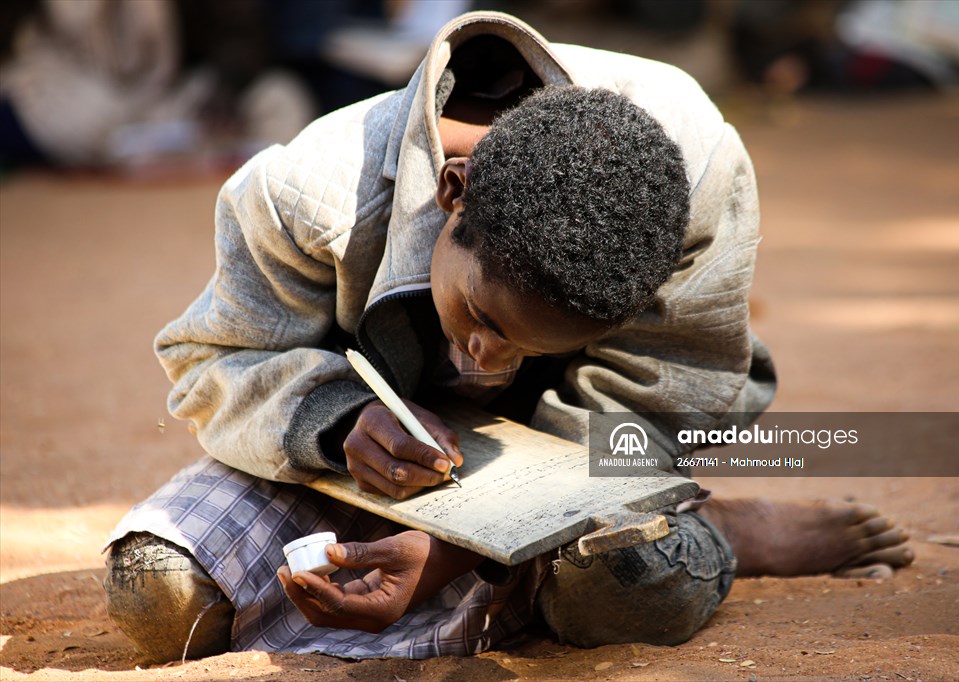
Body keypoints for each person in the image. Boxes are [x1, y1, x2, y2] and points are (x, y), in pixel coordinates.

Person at [104, 11, 914, 663]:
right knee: (162, 593)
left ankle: (714, 529)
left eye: (536, 343)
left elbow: (667, 394)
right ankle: (536, 574)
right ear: (454, 194)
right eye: (485, 320)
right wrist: (340, 419)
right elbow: (216, 360)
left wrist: (458, 548)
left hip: (589, 446)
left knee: (621, 587)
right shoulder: (304, 193)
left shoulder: (696, 175)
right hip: (364, 471)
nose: (490, 359)